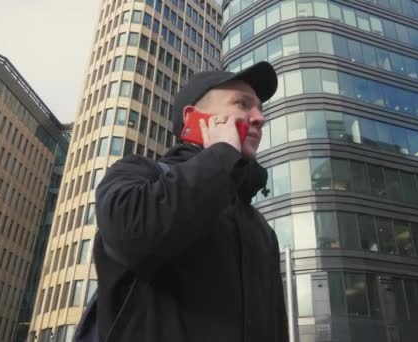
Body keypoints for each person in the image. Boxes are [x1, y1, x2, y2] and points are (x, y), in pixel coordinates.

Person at [92, 61, 288, 341]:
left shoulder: (261, 229)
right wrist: (221, 153)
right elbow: (132, 233)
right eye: (243, 104)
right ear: (193, 117)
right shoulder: (137, 174)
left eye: (261, 108)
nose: (259, 117)